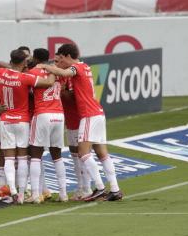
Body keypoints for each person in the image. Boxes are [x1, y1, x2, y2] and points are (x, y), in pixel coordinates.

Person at [42, 43, 123, 201]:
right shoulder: (85, 66)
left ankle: (99, 188)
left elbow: (64, 71)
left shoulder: (77, 67)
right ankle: (115, 189)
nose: (61, 61)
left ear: (67, 56)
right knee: (102, 154)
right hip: (98, 112)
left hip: (89, 114)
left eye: (62, 58)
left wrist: (45, 66)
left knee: (83, 153)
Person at [0, 49, 55, 204]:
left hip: (6, 119)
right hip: (22, 120)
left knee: (9, 158)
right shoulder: (26, 78)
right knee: (23, 157)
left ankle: (12, 189)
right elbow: (49, 83)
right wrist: (52, 70)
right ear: (25, 62)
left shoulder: (2, 73)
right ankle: (20, 194)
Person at [27, 48, 67, 203]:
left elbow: (26, 90)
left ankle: (36, 194)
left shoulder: (32, 72)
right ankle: (63, 194)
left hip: (42, 114)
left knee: (35, 154)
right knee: (57, 156)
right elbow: (62, 86)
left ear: (35, 58)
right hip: (59, 114)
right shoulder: (56, 72)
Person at [58, 53, 92, 201]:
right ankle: (80, 188)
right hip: (71, 121)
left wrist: (61, 91)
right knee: (74, 157)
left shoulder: (72, 75)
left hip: (80, 119)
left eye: (59, 60)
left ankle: (88, 188)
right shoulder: (63, 76)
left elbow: (72, 98)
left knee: (82, 156)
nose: (57, 63)